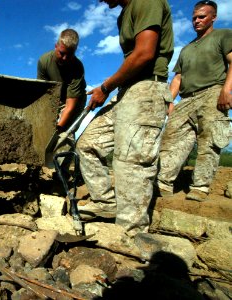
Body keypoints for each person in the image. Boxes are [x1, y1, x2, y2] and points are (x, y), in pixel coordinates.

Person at [76, 0, 174, 236]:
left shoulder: (145, 1)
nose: (101, 0)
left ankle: (131, 233)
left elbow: (144, 54)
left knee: (132, 162)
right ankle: (106, 203)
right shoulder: (124, 14)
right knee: (88, 144)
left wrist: (105, 86)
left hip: (147, 88)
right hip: (126, 90)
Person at [157, 0, 232, 202]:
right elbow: (178, 78)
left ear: (213, 17)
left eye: (202, 17)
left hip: (212, 92)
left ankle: (200, 186)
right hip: (187, 98)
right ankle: (163, 183)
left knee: (209, 139)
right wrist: (168, 101)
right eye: (194, 18)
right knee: (171, 137)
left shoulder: (223, 35)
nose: (196, 21)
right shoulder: (187, 48)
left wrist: (226, 90)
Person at [37, 29, 87, 177]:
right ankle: (35, 167)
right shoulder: (44, 61)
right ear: (56, 46)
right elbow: (42, 93)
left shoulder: (77, 67)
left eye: (69, 55)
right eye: (61, 53)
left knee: (66, 134)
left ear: (75, 52)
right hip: (55, 97)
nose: (65, 58)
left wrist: (57, 129)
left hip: (75, 101)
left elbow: (70, 106)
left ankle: (61, 175)